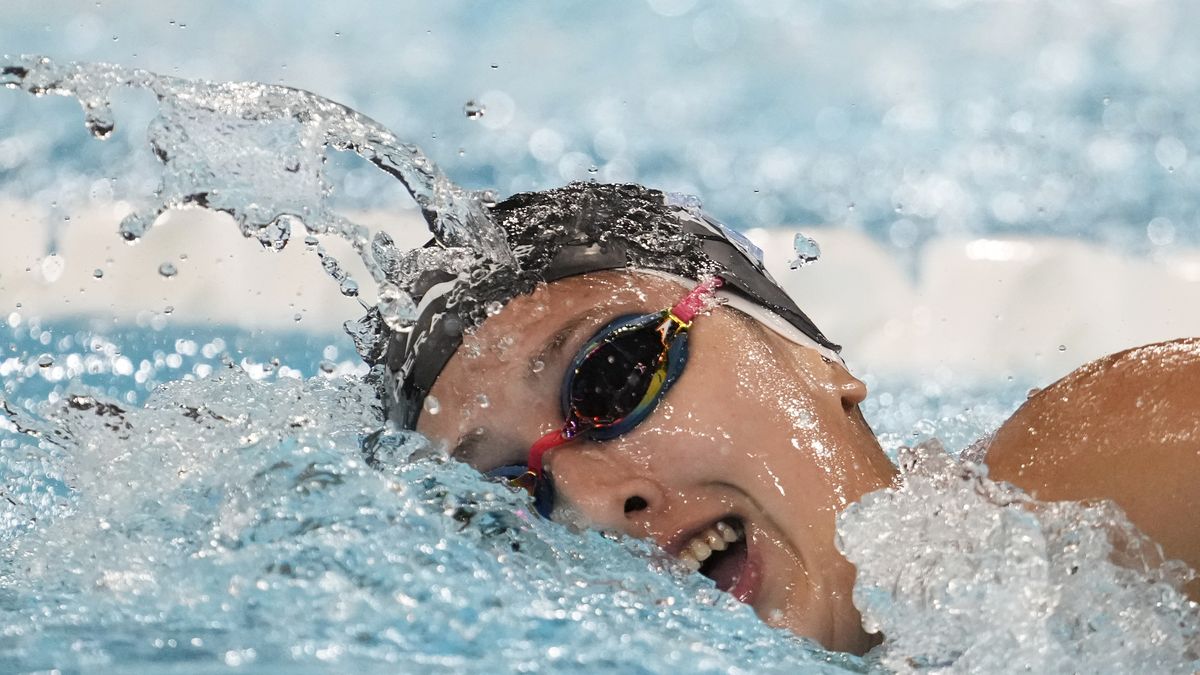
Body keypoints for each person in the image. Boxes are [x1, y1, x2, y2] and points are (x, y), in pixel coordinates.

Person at [379, 182, 1200, 654]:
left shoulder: (1087, 492)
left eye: (615, 375)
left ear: (814, 360)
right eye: (511, 499)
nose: (590, 500)